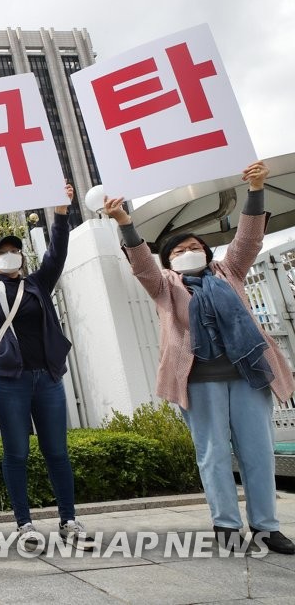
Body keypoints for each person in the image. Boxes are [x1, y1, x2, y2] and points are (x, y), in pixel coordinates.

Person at [105, 160, 294, 555]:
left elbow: (248, 240)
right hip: (199, 382)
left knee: (258, 451)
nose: (188, 252)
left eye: (194, 247)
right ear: (168, 260)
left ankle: (266, 526)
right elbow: (140, 261)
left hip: (248, 376)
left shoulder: (230, 273)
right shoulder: (164, 286)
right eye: (178, 249)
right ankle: (226, 525)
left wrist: (256, 190)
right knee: (212, 453)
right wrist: (124, 220)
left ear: (207, 253)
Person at [0, 184, 95, 552]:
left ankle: (69, 520)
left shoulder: (38, 284)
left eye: (15, 251)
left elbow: (57, 253)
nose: (10, 256)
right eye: (2, 253)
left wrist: (60, 213)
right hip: (9, 382)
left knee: (57, 451)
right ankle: (24, 524)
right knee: (17, 453)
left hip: (48, 380)